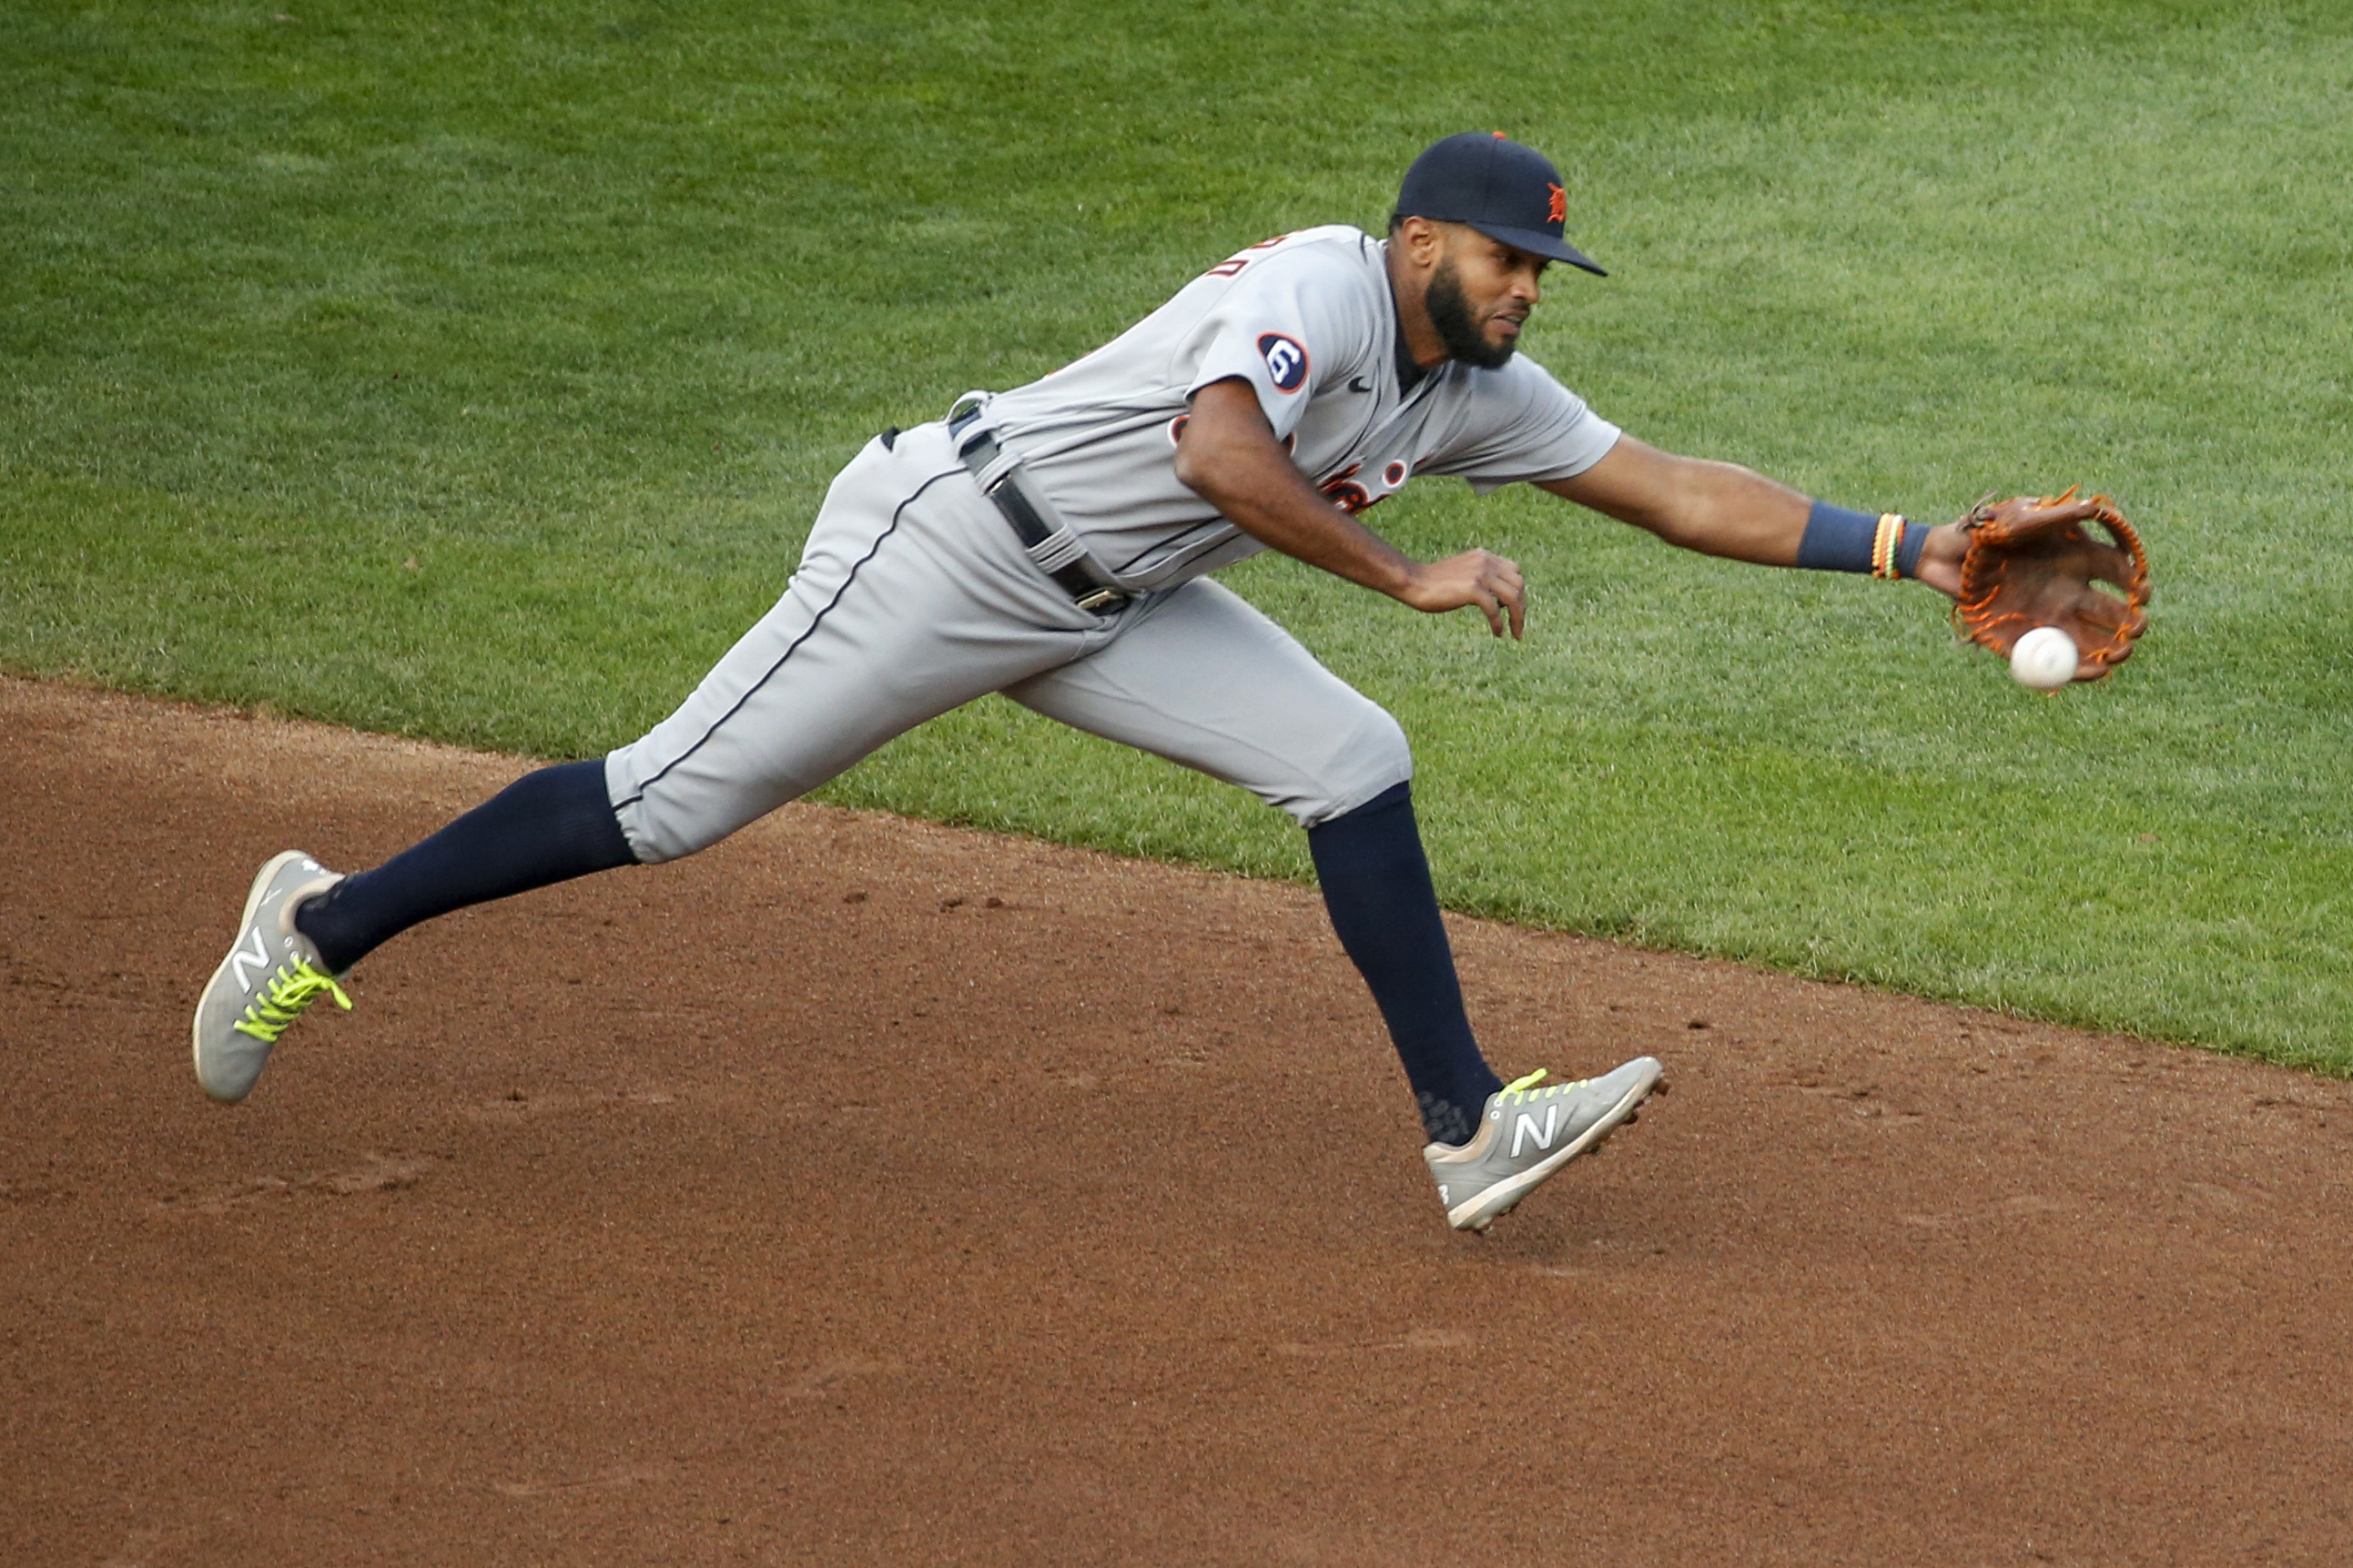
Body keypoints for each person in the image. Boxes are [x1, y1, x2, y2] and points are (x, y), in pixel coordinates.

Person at [192, 131, 1967, 1234]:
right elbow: (1217, 450)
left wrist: (1913, 546)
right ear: (1424, 239)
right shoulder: (1321, 290)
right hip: (950, 542)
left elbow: (1667, 488)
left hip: (1114, 602)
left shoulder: (1479, 388)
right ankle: (321, 925)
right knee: (670, 802)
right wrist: (1404, 567)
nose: (1528, 293)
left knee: (1350, 753)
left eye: (1543, 273)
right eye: (1510, 261)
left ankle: (1469, 1123)